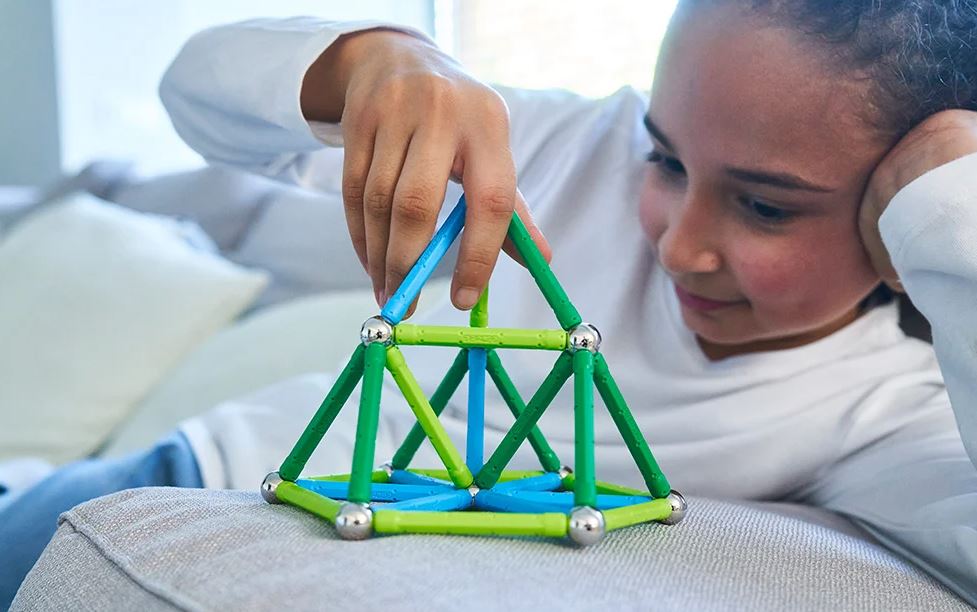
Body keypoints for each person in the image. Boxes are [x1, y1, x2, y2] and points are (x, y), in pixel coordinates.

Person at [3, 1, 977, 606]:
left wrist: (949, 205)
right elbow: (195, 95)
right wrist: (379, 60)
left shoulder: (888, 412)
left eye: (765, 206)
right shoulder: (556, 150)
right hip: (207, 471)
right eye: (665, 158)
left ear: (894, 220)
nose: (678, 243)